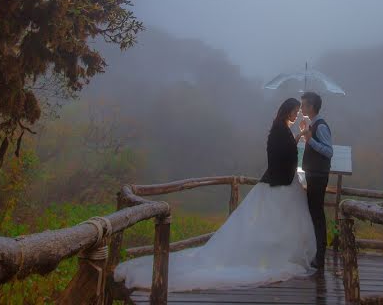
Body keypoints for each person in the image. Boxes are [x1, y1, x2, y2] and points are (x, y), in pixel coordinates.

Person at [114, 98, 316, 292]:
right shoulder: (280, 131)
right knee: (272, 222)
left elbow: (286, 152)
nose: (297, 114)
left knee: (276, 223)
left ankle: (276, 252)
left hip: (282, 181)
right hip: (279, 182)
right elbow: (283, 154)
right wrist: (300, 136)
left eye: (299, 111)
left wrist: (297, 136)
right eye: (295, 110)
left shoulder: (281, 129)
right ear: (287, 110)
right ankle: (271, 256)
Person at [299, 91, 333, 271]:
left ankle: (320, 256)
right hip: (313, 174)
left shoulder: (320, 126)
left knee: (317, 214)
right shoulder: (313, 124)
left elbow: (329, 151)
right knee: (313, 213)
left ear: (311, 106)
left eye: (303, 104)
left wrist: (310, 140)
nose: (301, 107)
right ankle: (316, 253)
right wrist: (306, 133)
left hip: (319, 176)